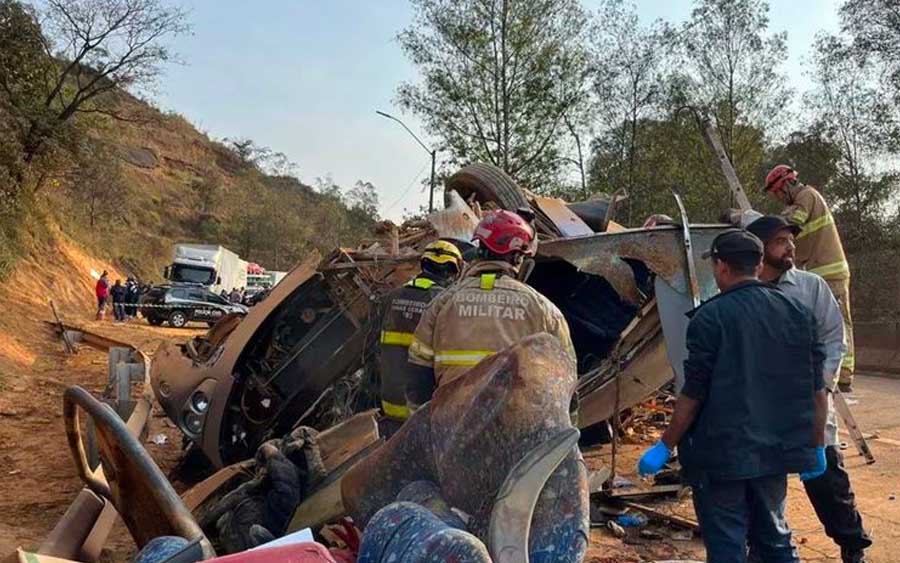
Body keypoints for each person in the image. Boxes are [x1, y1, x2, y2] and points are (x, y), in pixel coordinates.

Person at [638, 229, 827, 563]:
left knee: (727, 544)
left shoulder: (709, 317)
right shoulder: (799, 313)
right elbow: (817, 389)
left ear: (722, 266)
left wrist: (665, 445)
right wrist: (816, 444)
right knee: (775, 538)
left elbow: (692, 394)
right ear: (757, 264)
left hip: (721, 455)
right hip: (776, 452)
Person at [747, 215, 871, 563]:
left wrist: (823, 384)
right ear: (760, 249)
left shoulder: (810, 287)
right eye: (781, 241)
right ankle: (765, 548)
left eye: (791, 240)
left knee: (828, 482)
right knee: (763, 484)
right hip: (761, 407)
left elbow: (834, 337)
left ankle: (853, 544)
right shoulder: (743, 291)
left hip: (808, 402)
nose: (791, 247)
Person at [408, 209, 575, 397]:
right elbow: (565, 377)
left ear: (480, 249)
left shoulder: (442, 303)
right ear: (517, 256)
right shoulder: (544, 309)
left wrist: (424, 423)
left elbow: (418, 375)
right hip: (516, 423)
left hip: (453, 423)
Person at [764, 165, 855, 392]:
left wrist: (752, 220)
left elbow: (793, 223)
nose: (778, 198)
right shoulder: (805, 198)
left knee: (838, 323)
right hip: (821, 270)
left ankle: (843, 377)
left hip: (829, 271)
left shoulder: (806, 195)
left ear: (785, 185)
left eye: (777, 192)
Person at [376, 240, 463, 427]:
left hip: (389, 405)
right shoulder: (444, 303)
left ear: (423, 264)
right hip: (421, 413)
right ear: (453, 272)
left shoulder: (392, 297)